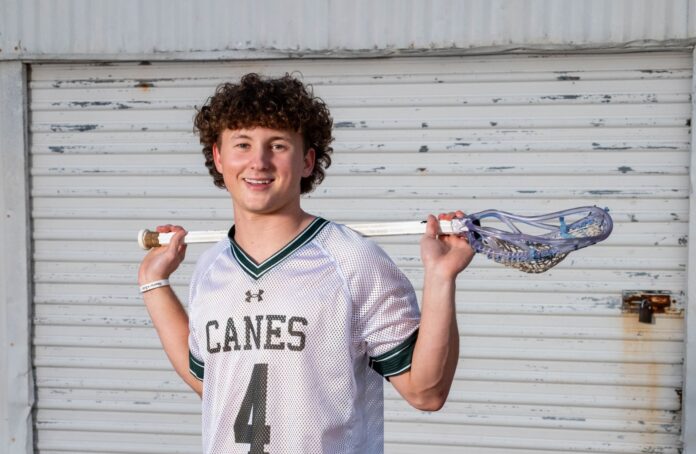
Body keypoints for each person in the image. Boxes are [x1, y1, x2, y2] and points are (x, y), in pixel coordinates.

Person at [138, 73, 474, 454]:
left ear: (307, 161)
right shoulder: (211, 268)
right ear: (218, 156)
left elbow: (426, 392)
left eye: (277, 145)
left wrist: (441, 276)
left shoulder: (353, 259)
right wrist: (154, 283)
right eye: (242, 144)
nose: (259, 162)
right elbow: (214, 382)